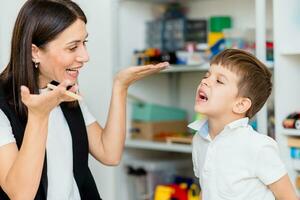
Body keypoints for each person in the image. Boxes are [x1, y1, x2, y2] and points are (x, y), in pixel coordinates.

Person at [0, 0, 169, 199]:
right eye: (72, 47)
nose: (85, 56)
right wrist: (38, 117)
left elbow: (110, 153)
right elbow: (20, 194)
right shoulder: (3, 105)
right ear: (34, 52)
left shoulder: (65, 92)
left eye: (84, 43)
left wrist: (121, 87)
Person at [189, 49, 298, 200]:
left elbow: (289, 197)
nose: (204, 81)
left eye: (219, 81)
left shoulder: (258, 146)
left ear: (240, 105)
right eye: (206, 76)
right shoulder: (199, 139)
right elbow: (207, 188)